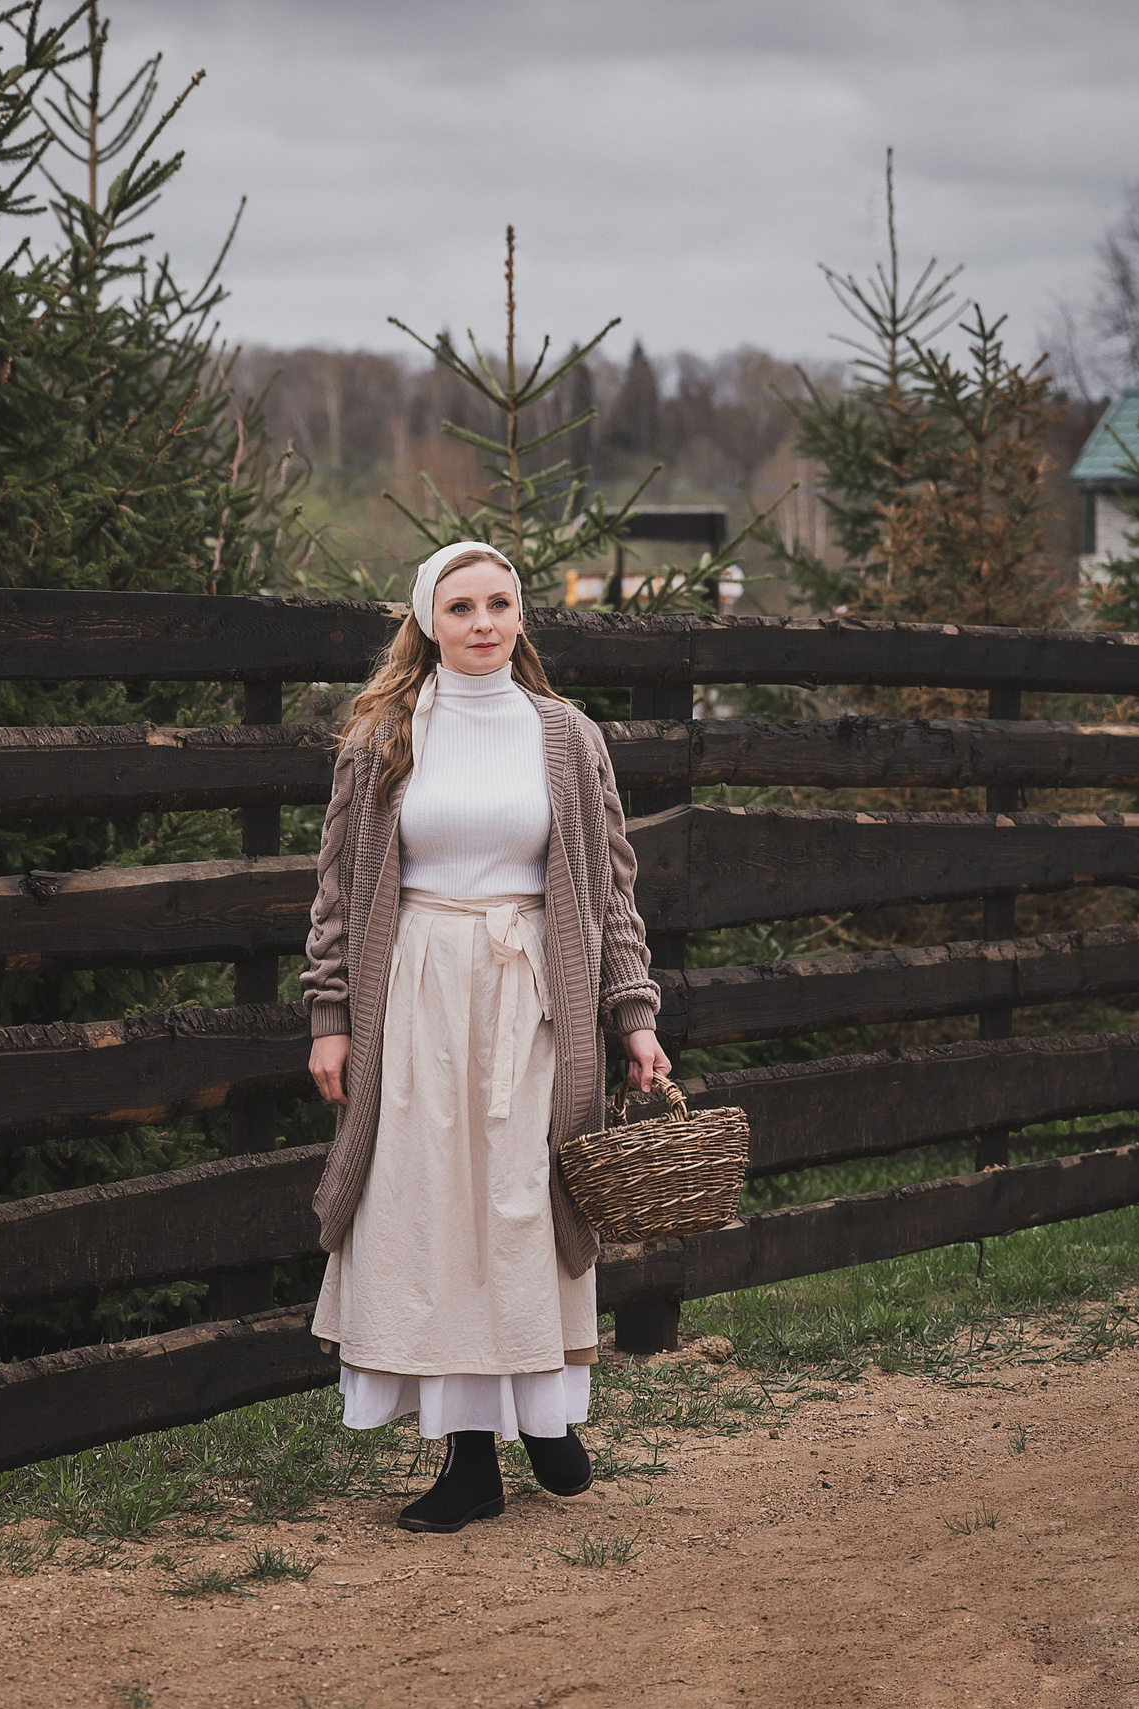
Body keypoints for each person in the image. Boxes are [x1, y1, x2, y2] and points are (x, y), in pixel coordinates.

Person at [302, 539, 670, 1534]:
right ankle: (469, 1464)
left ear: (520, 614)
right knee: (430, 1217)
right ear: (427, 619)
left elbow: (610, 890)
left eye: (499, 602)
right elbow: (337, 891)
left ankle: (543, 1417)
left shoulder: (562, 733)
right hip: (413, 994)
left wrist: (634, 1014)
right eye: (459, 605)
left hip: (530, 998)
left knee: (520, 1202)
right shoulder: (382, 734)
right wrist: (330, 1017)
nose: (482, 622)